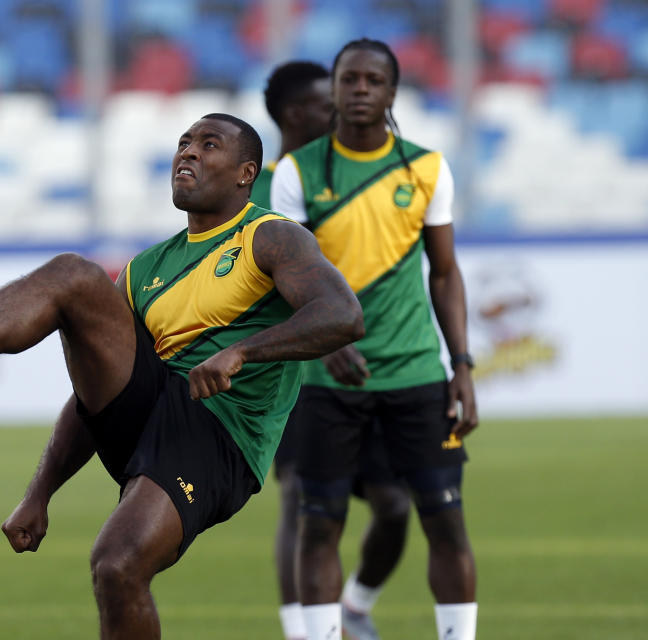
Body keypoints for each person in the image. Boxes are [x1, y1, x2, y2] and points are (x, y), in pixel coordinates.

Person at [0, 113, 365, 639]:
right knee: (76, 276)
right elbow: (90, 396)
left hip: (218, 433)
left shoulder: (272, 237)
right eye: (183, 142)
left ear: (248, 173)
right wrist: (40, 492)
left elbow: (342, 314)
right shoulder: (145, 268)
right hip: (149, 411)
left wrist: (242, 351)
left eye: (209, 144)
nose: (189, 152)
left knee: (117, 564)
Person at [271, 39, 479, 640]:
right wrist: (324, 340)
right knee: (320, 524)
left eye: (373, 80)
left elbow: (444, 273)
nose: (360, 89)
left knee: (444, 520)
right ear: (334, 89)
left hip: (416, 375)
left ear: (391, 93)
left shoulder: (426, 168)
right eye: (349, 79)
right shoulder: (298, 172)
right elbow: (284, 274)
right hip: (325, 383)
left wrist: (461, 367)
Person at [259, 61, 414, 640]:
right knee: (301, 496)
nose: (344, 110)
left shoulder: (350, 173)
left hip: (368, 365)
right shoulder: (258, 186)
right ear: (297, 114)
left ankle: (354, 606)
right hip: (294, 372)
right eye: (330, 103)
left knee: (396, 504)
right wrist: (318, 346)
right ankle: (304, 632)